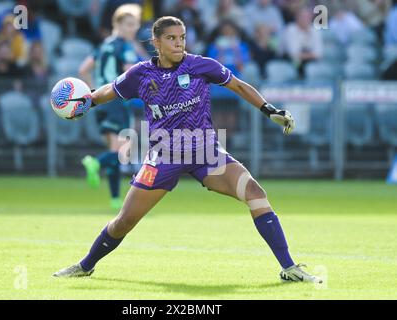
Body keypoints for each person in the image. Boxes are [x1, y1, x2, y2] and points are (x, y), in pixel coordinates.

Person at [53, 16, 322, 284]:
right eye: (171, 38)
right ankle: (85, 266)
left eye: (182, 37)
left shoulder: (200, 65)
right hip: (163, 158)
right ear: (156, 42)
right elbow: (108, 91)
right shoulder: (140, 74)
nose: (179, 43)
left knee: (256, 194)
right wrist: (83, 102)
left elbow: (239, 85)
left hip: (206, 153)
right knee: (125, 221)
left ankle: (289, 268)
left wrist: (269, 110)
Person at [79, 4, 142, 210]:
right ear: (118, 24)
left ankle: (115, 200)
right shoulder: (125, 47)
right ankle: (95, 163)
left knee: (114, 151)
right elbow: (129, 72)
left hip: (101, 100)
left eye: (135, 25)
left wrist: (93, 91)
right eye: (129, 24)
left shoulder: (104, 45)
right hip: (117, 102)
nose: (133, 29)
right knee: (122, 151)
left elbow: (84, 69)